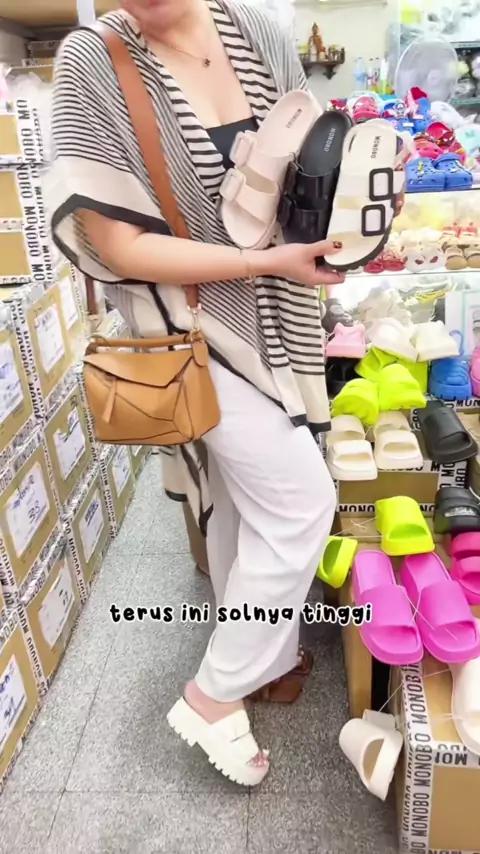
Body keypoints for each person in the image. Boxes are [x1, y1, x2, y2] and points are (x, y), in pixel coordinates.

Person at [49, 0, 346, 787]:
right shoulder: (93, 60)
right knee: (301, 500)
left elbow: (307, 180)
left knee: (247, 499)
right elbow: (118, 245)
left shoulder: (258, 34)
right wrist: (262, 264)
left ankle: (264, 658)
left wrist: (356, 211)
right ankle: (214, 694)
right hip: (189, 328)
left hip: (282, 311)